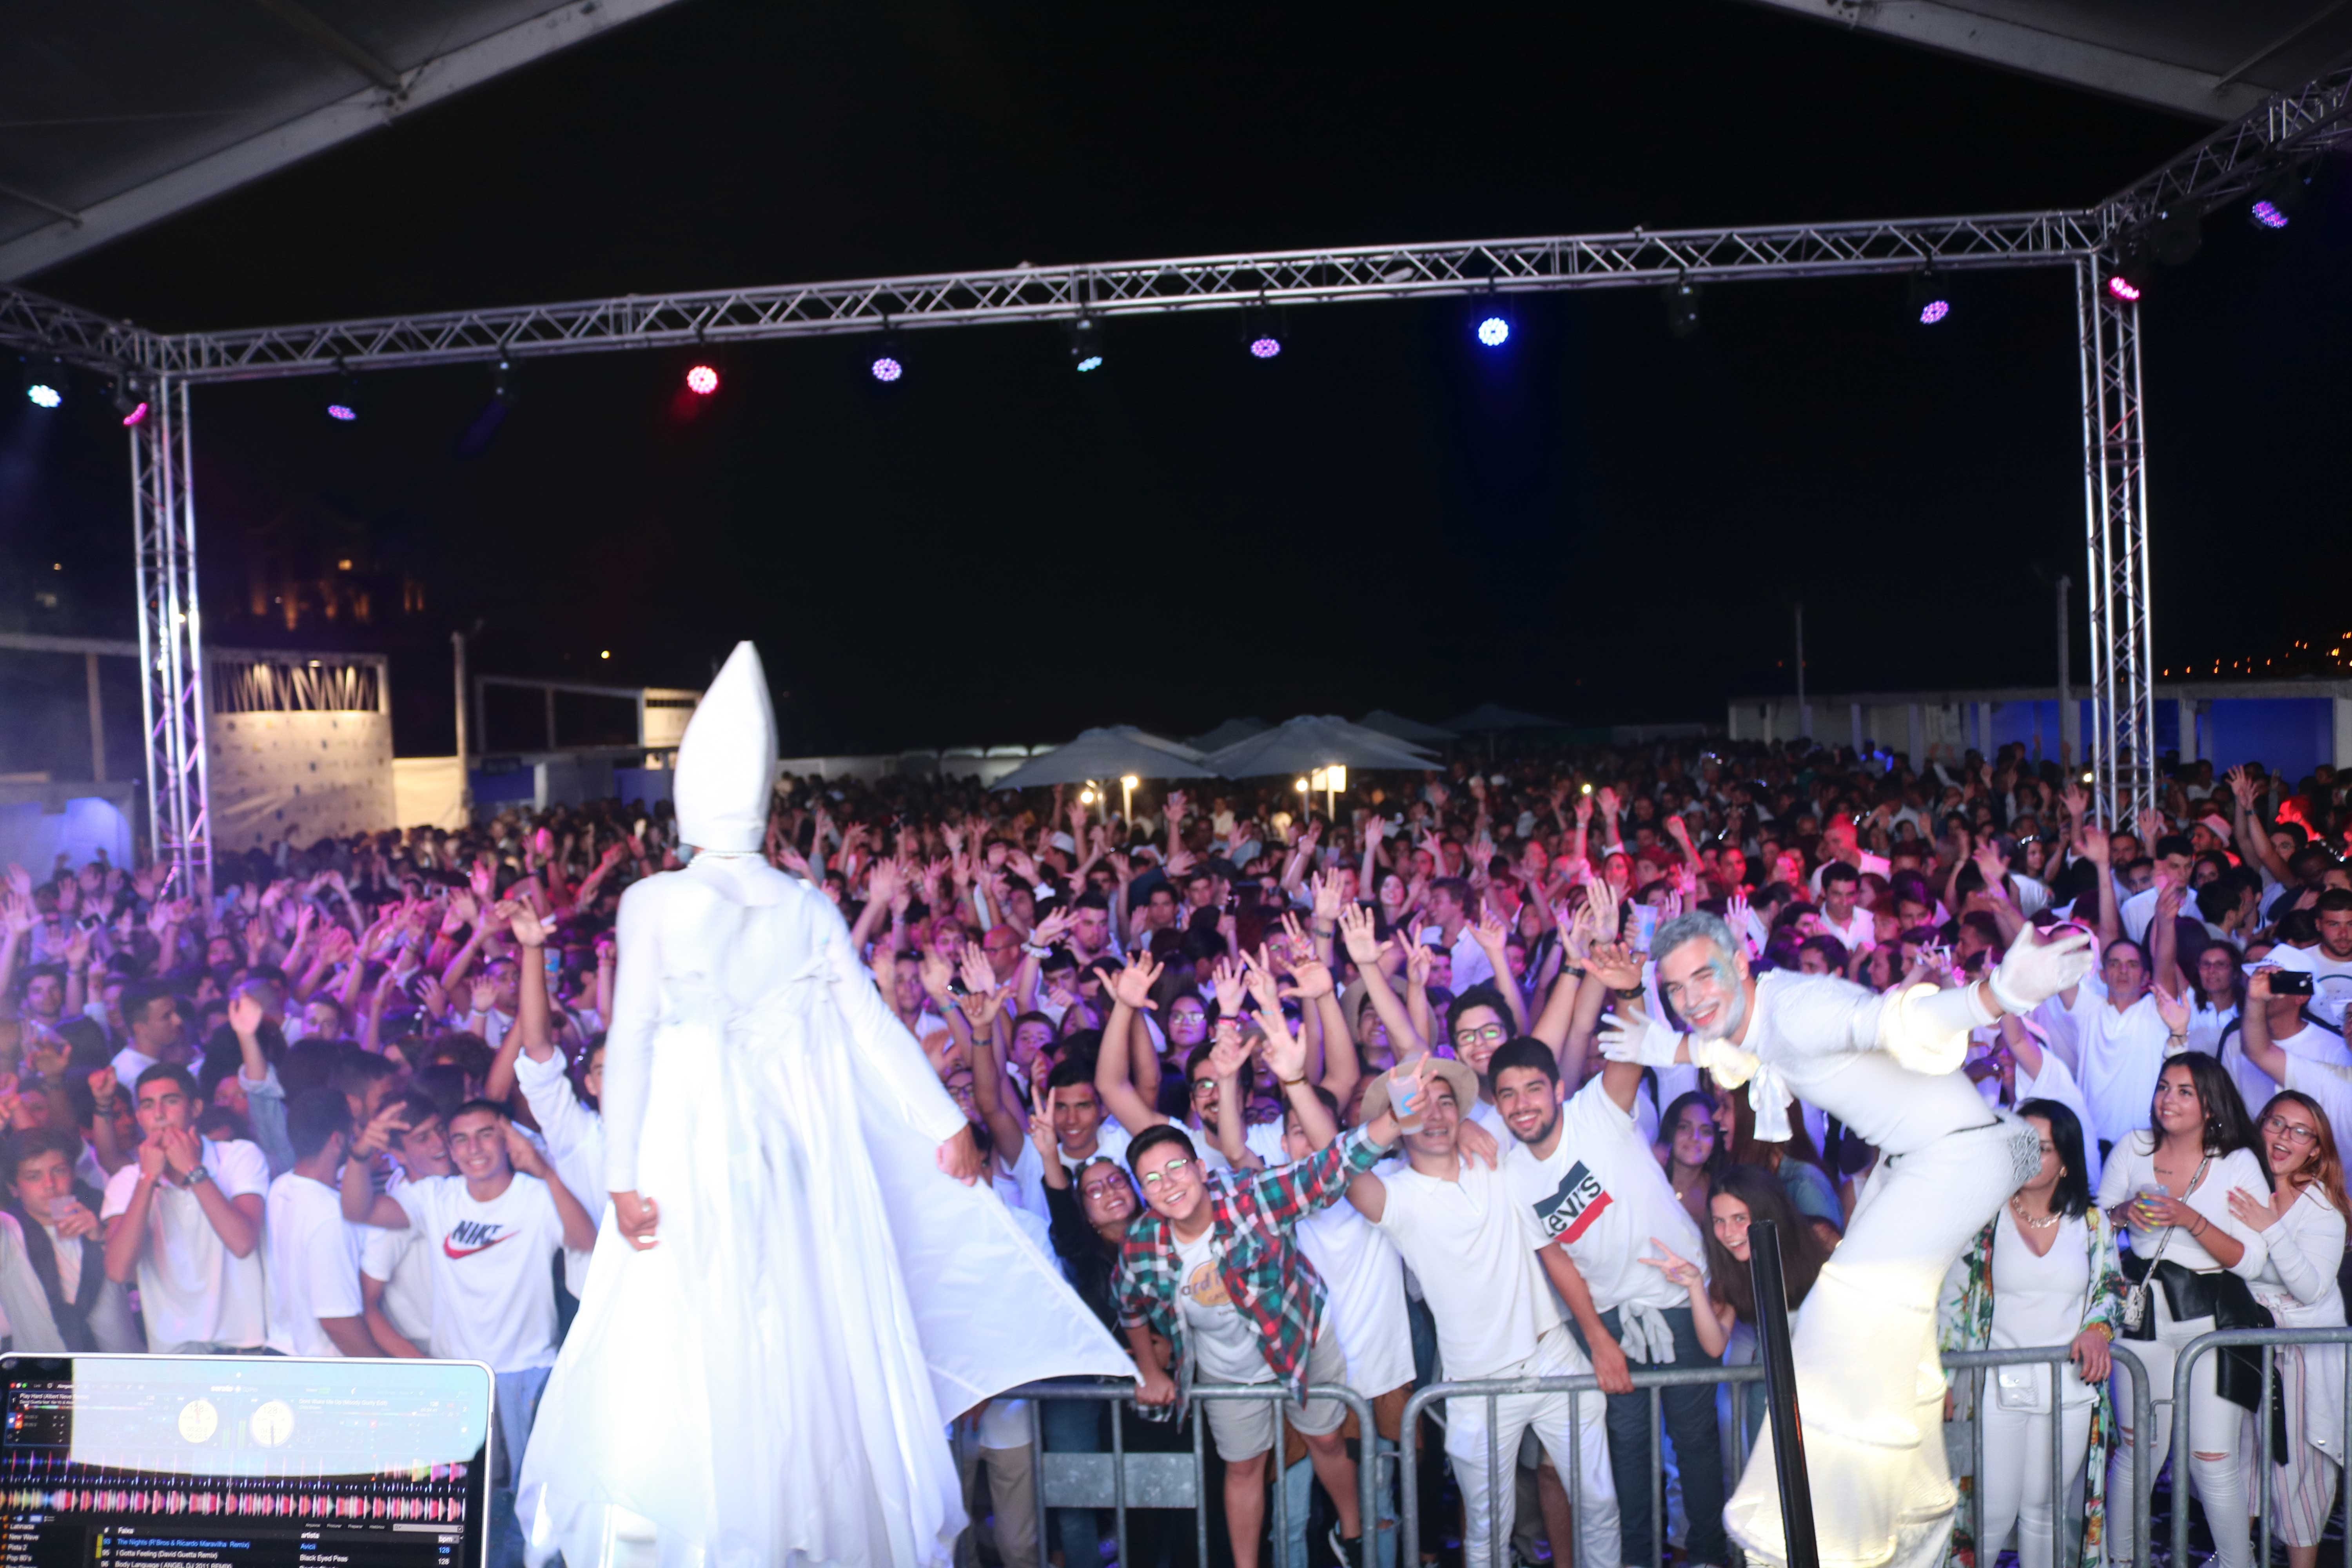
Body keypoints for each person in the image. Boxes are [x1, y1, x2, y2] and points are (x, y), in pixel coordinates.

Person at [514, 643, 1130, 1568]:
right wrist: (941, 1123)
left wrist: (625, 1175)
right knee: (803, 1343)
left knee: (700, 1348)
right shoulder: (799, 905)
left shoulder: (658, 901)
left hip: (693, 1164)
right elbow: (874, 1031)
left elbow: (631, 1039)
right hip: (794, 1164)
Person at [1602, 908, 2092, 1568]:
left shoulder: (1800, 1007)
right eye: (1677, 990)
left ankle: (1823, 1542)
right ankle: (1914, 1526)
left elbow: (1897, 1022)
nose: (1690, 1000)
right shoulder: (1758, 1012)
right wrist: (1661, 1045)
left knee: (1841, 1307)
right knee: (1888, 1343)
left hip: (1956, 1159)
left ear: (1742, 965)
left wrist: (1998, 995)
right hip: (1920, 1161)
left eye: (1703, 978)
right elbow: (1735, 1050)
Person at [1118, 1003, 1403, 1568]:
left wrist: (1395, 1121)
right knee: (1244, 1468)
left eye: (1175, 1169)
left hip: (1299, 1335)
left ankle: (1350, 1530)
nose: (1167, 1185)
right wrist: (1150, 1370)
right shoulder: (1142, 1245)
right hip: (1227, 1369)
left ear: (1201, 1168)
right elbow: (1130, 1308)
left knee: (1325, 1439)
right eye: (1151, 1180)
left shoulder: (1247, 1198)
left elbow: (1327, 1169)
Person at [1341, 1058, 1622, 1568]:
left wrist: (1463, 1121)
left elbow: (1543, 1068)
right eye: (1418, 1106)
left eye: (1447, 1102)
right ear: (1394, 1123)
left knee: (1600, 1503)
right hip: (1474, 1381)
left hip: (1552, 1354)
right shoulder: (1395, 1197)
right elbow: (1338, 1171)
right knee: (1487, 1532)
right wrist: (1295, 1082)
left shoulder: (1497, 1156)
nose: (1435, 1114)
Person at [1491, 1034, 1726, 1568]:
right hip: (1612, 1321)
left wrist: (1626, 990)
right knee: (1630, 1462)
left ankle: (1711, 1559)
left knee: (1698, 1451)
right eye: (1507, 1094)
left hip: (1677, 1296)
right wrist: (1599, 1340)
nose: (1522, 1104)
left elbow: (1628, 1051)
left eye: (1533, 1088)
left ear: (1557, 1089)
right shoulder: (1514, 1175)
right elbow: (1557, 1261)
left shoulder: (1595, 1109)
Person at [343, 1097, 599, 1568]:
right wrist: (361, 1153)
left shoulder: (536, 1195)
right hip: (458, 1381)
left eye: (486, 1133)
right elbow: (359, 1209)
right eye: (460, 1138)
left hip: (529, 1377)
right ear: (452, 1148)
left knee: (535, 1522)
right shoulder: (435, 1198)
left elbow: (587, 1242)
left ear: (507, 1139)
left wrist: (543, 1170)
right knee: (462, 1521)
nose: (473, 1147)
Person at [2095, 1053, 2272, 1568]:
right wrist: (2125, 1212)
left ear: (2211, 1106)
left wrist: (2190, 1220)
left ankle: (2238, 1564)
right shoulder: (2133, 1148)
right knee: (2137, 1452)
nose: (2168, 1099)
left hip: (2211, 1322)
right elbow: (2094, 1230)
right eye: (2163, 1088)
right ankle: (2123, 1562)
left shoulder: (2236, 1162)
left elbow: (2253, 1259)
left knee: (2212, 1460)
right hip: (2140, 1317)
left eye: (2184, 1091)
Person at [1935, 1098, 2123, 1568]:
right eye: (2021, 1145)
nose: (2029, 1157)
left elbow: (2110, 1290)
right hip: (1997, 1380)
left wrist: (2098, 1330)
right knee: (1991, 1512)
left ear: (2066, 1160)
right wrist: (1940, 1375)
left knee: (2046, 1513)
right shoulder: (1983, 1219)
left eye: (2041, 1148)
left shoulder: (2093, 1225)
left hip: (2070, 1386)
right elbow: (1951, 1303)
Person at [2224, 1089, 2348, 1568]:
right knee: (2242, 1465)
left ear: (2315, 1149)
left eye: (2300, 1131)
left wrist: (2270, 1226)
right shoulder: (2244, 1181)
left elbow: (2312, 1288)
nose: (2283, 1137)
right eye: (2276, 1123)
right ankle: (2235, 1558)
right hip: (2247, 1343)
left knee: (2298, 1474)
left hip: (2302, 1357)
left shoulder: (2322, 1207)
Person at [98, 1063, 270, 1353]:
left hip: (245, 1348)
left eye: (171, 1101)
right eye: (149, 1106)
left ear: (197, 1108)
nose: (160, 1115)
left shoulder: (240, 1156)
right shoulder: (126, 1182)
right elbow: (118, 1271)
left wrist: (193, 1169)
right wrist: (148, 1179)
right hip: (174, 1355)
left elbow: (242, 1244)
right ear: (140, 1117)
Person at [0, 1125, 140, 1351]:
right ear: (14, 1188)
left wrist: (103, 1237)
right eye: (34, 1177)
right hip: (46, 1377)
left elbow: (147, 1280)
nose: (49, 1184)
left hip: (122, 1371)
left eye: (58, 1171)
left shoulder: (106, 1213)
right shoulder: (8, 1232)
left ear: (73, 1174)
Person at [264, 1087, 374, 1357]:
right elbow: (337, 1322)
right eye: (355, 1130)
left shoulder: (281, 1187)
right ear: (338, 1140)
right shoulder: (333, 1214)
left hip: (282, 1350)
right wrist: (387, 1374)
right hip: (321, 1366)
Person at [1655, 1088, 1724, 1233]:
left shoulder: (1721, 1192)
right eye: (1685, 1128)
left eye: (1706, 1132)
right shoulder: (1648, 1177)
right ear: (1671, 1131)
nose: (1695, 1138)